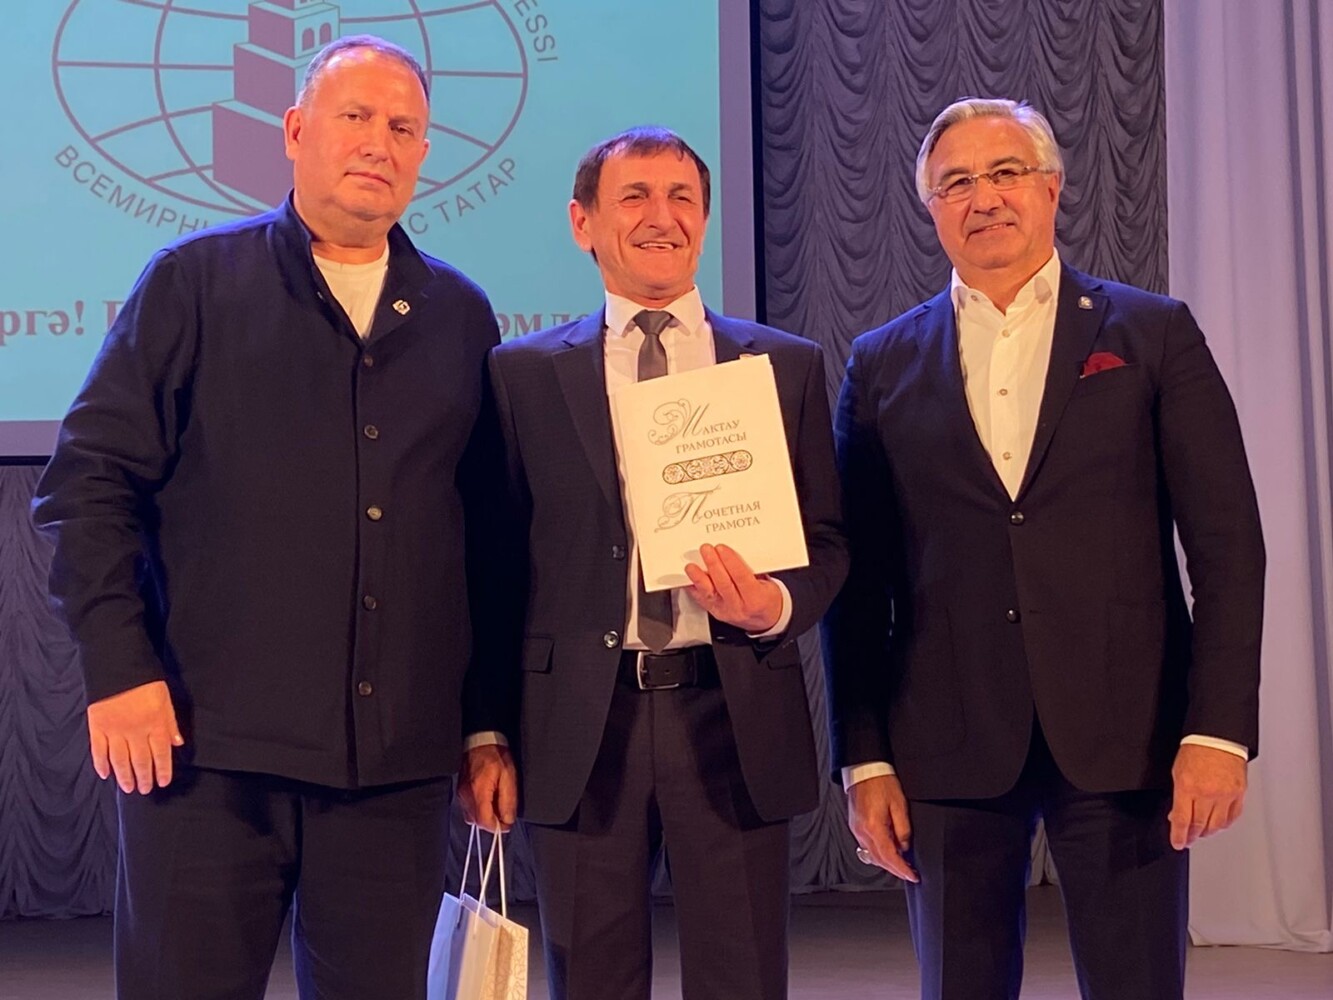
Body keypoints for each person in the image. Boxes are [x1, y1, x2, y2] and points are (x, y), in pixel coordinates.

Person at [31, 35, 507, 1000]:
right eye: (355, 117)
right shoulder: (193, 283)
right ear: (294, 131)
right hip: (203, 758)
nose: (378, 142)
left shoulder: (460, 315)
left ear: (423, 155)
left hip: (394, 772)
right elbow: (87, 485)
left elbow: (487, 542)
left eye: (402, 127)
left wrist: (483, 726)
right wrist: (119, 670)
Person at [822, 98, 1265, 1000]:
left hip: (1127, 735)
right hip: (944, 745)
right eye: (955, 183)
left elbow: (1227, 548)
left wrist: (1216, 730)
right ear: (931, 209)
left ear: (1051, 188)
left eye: (1004, 172)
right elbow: (856, 585)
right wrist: (864, 757)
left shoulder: (1151, 333)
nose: (982, 197)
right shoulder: (878, 361)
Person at [460, 126, 848, 1000]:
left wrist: (773, 608)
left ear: (704, 220)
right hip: (578, 727)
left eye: (681, 198)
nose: (660, 217)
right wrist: (484, 732)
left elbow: (826, 542)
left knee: (743, 981)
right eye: (633, 196)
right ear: (583, 223)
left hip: (731, 710)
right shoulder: (521, 375)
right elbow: (491, 572)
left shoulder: (781, 366)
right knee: (591, 982)